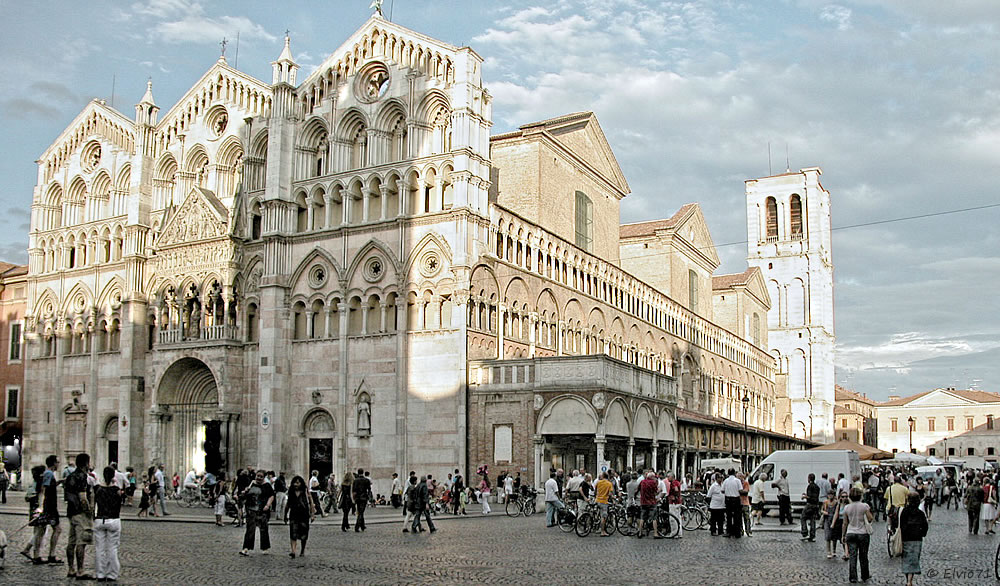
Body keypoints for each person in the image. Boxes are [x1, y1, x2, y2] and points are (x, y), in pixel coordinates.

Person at [94, 466, 122, 582]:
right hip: (114, 519)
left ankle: (100, 573)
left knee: (99, 549)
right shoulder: (117, 490)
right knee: (112, 548)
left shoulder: (97, 489)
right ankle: (112, 574)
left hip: (100, 519)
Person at [841, 487, 874, 584]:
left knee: (852, 556)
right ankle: (865, 575)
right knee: (863, 556)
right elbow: (870, 518)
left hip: (851, 532)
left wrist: (843, 535)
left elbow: (845, 523)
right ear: (860, 496)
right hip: (863, 533)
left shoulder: (847, 507)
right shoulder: (864, 506)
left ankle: (853, 577)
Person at [239, 469, 274, 556]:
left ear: (264, 478)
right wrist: (245, 491)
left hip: (262, 510)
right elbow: (244, 495)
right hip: (251, 510)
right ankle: (246, 548)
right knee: (250, 529)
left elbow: (272, 496)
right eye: (258, 476)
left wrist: (268, 505)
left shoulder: (267, 486)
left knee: (264, 529)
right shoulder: (251, 484)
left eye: (261, 477)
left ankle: (265, 548)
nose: (259, 478)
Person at [900, 491, 928, 586]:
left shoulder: (904, 511)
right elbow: (925, 525)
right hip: (917, 538)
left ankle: (908, 579)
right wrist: (922, 533)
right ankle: (910, 580)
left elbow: (902, 525)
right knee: (914, 558)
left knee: (907, 558)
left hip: (906, 537)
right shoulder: (920, 513)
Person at [285, 476, 315, 558]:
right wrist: (285, 514)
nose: (296, 484)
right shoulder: (291, 491)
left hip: (304, 514)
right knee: (293, 533)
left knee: (304, 534)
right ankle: (293, 551)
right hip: (294, 514)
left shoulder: (305, 491)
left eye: (298, 482)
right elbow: (288, 504)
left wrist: (312, 514)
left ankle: (302, 550)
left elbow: (311, 502)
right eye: (295, 482)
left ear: (301, 483)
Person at [637, 471, 661, 539]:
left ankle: (640, 532)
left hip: (643, 502)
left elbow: (638, 489)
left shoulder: (642, 482)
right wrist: (659, 490)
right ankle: (655, 533)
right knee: (654, 518)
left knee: (642, 518)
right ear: (652, 477)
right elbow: (655, 492)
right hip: (651, 502)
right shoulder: (653, 482)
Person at [722, 468, 743, 538]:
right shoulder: (737, 481)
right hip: (736, 499)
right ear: (734, 473)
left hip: (728, 499)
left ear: (728, 473)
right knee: (737, 516)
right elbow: (740, 490)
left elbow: (722, 490)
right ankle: (737, 533)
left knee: (729, 516)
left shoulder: (725, 481)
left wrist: (728, 491)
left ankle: (729, 532)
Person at [800, 473, 820, 542]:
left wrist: (804, 496)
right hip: (816, 505)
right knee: (812, 520)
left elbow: (810, 497)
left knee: (803, 517)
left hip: (810, 504)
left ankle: (805, 533)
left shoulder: (810, 486)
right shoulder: (817, 487)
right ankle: (812, 535)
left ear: (809, 478)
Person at [821, 490, 839, 559]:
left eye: (831, 494)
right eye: (829, 494)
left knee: (834, 536)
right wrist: (824, 512)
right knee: (828, 536)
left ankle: (834, 550)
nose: (830, 496)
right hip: (827, 520)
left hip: (834, 520)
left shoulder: (836, 503)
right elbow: (821, 510)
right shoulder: (825, 502)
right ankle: (828, 551)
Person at [595, 472, 613, 537]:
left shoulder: (598, 482)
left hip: (597, 500)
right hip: (604, 501)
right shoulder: (609, 484)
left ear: (602, 476)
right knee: (603, 517)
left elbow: (595, 491)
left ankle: (596, 523)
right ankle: (602, 531)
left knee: (598, 513)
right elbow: (610, 494)